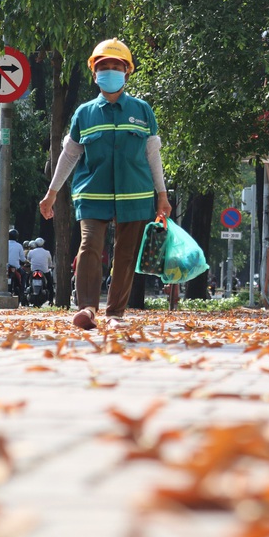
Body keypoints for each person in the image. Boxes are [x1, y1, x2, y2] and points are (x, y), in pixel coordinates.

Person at [39, 38, 171, 330]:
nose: (110, 71)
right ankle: (87, 308)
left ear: (127, 72)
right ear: (94, 73)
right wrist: (51, 194)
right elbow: (70, 155)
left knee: (125, 253)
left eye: (116, 66)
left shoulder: (142, 110)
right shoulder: (84, 113)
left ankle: (115, 314)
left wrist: (162, 195)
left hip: (135, 194)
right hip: (91, 193)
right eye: (104, 66)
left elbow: (152, 154)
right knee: (89, 246)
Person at [6, 228, 25, 297]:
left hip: (5, 267)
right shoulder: (19, 246)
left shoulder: (4, 244)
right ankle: (22, 292)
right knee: (23, 275)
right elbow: (22, 259)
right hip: (16, 267)